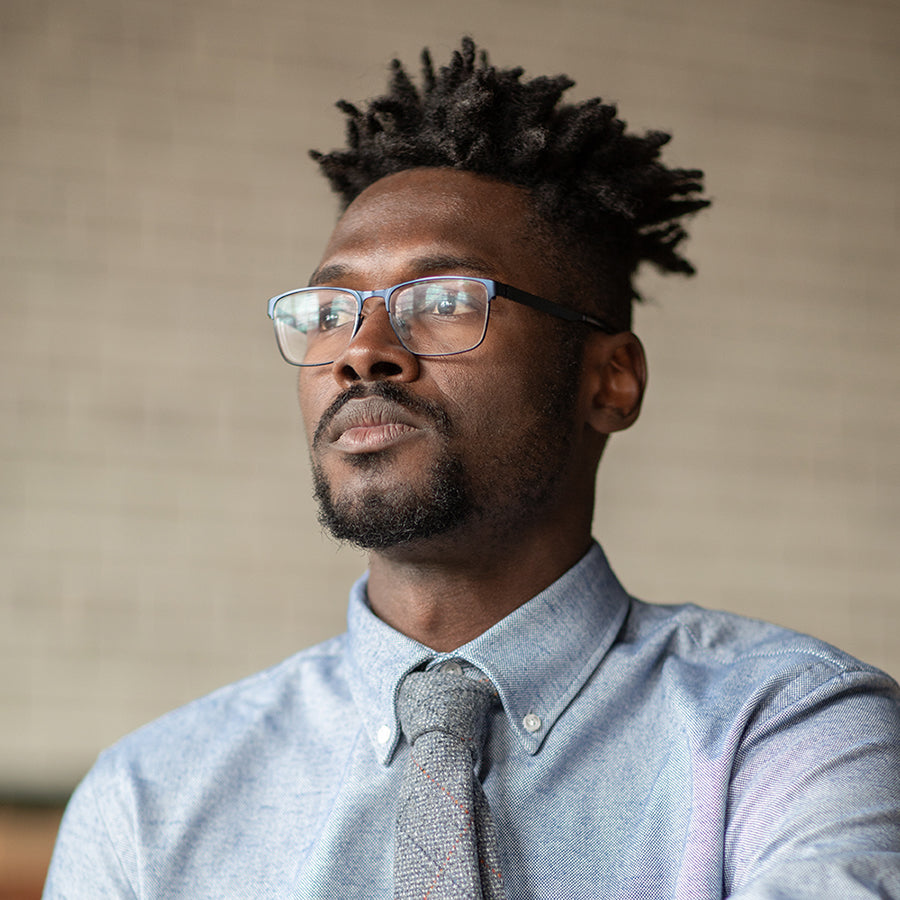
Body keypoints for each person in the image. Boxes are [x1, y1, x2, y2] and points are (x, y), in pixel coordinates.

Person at [44, 38, 900, 899]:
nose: (362, 353)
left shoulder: (790, 729)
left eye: (446, 301)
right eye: (331, 312)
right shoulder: (147, 802)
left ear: (612, 379)